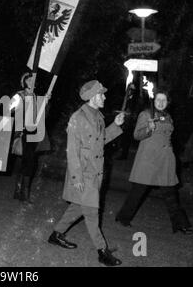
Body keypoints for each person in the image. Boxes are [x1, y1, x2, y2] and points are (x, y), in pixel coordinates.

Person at [48, 80, 125, 266]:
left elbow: (101, 140)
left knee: (78, 207)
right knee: (91, 212)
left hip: (95, 171)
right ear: (92, 97)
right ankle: (102, 251)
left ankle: (56, 234)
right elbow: (72, 150)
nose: (104, 97)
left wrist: (115, 125)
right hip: (84, 172)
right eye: (101, 94)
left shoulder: (98, 115)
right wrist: (76, 178)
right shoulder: (78, 118)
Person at [116, 90, 193, 235]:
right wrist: (148, 129)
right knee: (138, 191)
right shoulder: (146, 114)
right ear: (154, 101)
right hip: (148, 160)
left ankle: (180, 224)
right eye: (158, 100)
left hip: (165, 161)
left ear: (167, 102)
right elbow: (136, 135)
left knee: (171, 193)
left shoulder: (168, 117)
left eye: (164, 100)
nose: (161, 103)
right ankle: (123, 217)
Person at [10, 73, 51, 204]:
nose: (31, 81)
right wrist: (20, 105)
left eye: (33, 79)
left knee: (29, 161)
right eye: (28, 79)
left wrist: (45, 102)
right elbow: (9, 108)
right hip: (23, 130)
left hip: (34, 131)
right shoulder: (19, 95)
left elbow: (40, 115)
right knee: (29, 161)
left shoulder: (35, 96)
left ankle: (19, 191)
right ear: (24, 82)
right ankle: (24, 194)